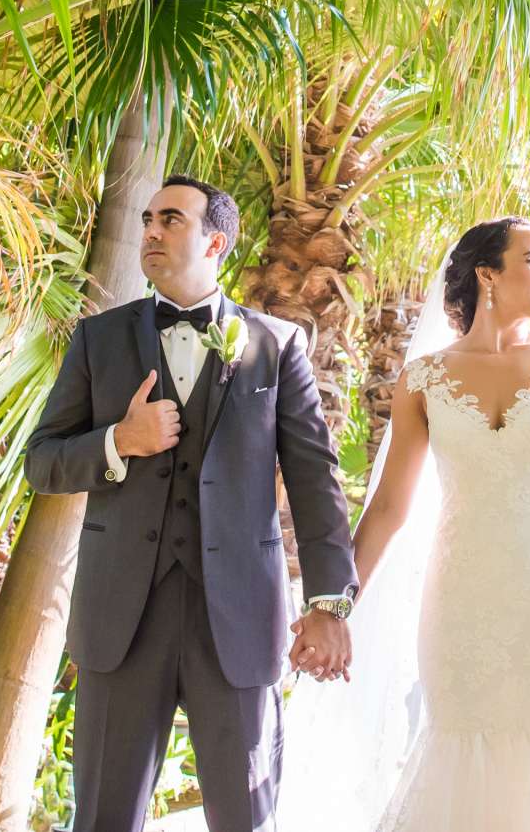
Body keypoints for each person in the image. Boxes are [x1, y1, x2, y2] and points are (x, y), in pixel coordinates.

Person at [278, 214, 530, 832]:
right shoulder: (424, 379)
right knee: (458, 746)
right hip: (460, 605)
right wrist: (332, 607)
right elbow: (389, 509)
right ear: (487, 276)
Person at [24, 174, 358, 832]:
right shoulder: (99, 340)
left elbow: (317, 481)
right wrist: (119, 440)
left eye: (170, 219)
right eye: (147, 218)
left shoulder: (278, 345)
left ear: (216, 243)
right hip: (122, 619)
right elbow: (43, 461)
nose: (150, 230)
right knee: (102, 819)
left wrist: (328, 603)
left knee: (246, 818)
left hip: (236, 621)